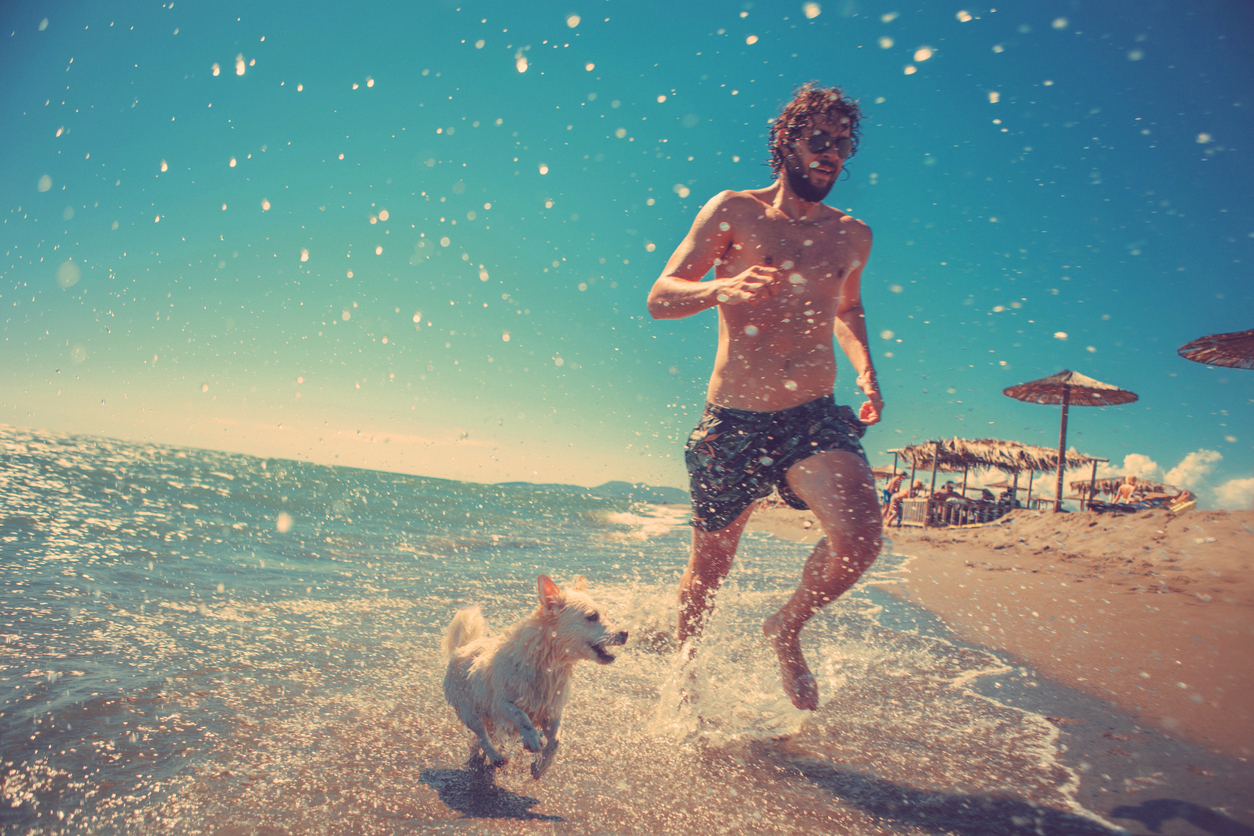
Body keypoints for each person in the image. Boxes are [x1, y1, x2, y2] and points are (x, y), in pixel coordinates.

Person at [647, 82, 884, 711]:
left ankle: (786, 628)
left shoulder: (853, 236)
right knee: (709, 573)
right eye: (820, 139)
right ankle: (686, 683)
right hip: (734, 422)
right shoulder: (734, 212)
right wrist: (720, 290)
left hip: (811, 415)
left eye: (842, 143)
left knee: (860, 539)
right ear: (787, 145)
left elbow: (849, 307)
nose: (832, 152)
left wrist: (865, 369)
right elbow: (660, 296)